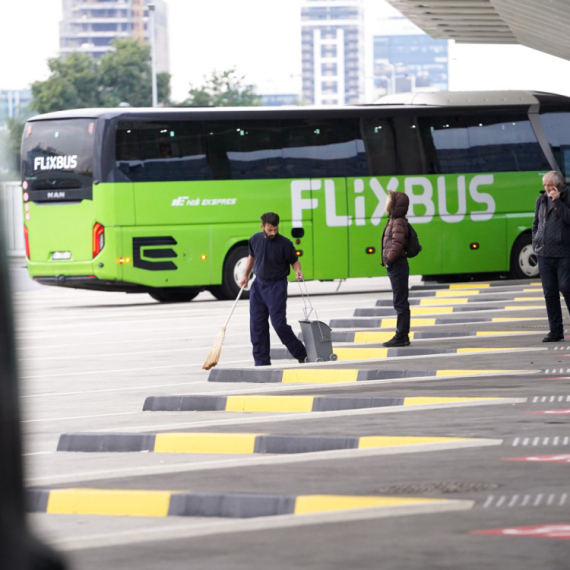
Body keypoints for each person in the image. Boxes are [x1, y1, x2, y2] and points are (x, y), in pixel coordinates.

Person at [240, 212, 308, 366]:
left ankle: (301, 354)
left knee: (279, 324)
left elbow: (294, 261)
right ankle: (261, 362)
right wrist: (245, 275)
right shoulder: (255, 239)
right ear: (262, 226)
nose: (273, 233)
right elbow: (252, 257)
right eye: (269, 230)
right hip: (258, 286)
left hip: (276, 287)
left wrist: (298, 271)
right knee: (257, 326)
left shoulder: (285, 244)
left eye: (275, 230)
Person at [532, 170, 570, 342]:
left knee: (567, 288)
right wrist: (536, 242)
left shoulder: (566, 198)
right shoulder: (540, 200)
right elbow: (536, 224)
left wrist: (557, 202)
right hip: (544, 254)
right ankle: (556, 331)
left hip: (564, 253)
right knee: (550, 293)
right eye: (545, 185)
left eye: (550, 185)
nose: (546, 189)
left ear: (559, 185)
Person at [381, 190, 411, 347]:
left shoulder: (397, 221)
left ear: (394, 204)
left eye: (388, 200)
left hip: (397, 265)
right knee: (400, 301)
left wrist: (389, 260)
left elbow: (397, 244)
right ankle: (402, 335)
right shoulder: (395, 220)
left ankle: (401, 336)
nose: (385, 203)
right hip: (397, 265)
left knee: (400, 302)